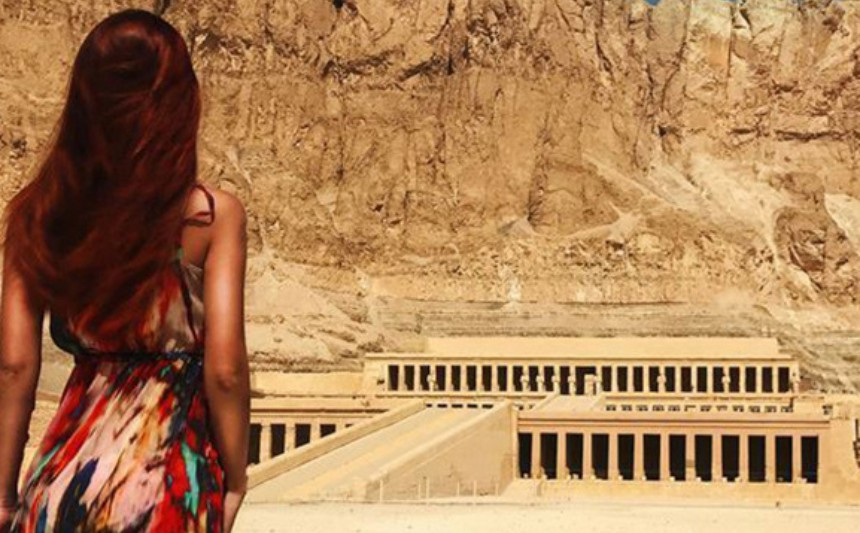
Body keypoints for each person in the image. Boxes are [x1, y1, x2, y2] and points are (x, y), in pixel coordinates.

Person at [0, 9, 250, 533]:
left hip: (62, 485)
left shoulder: (36, 214)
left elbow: (15, 368)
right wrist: (235, 477)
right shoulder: (211, 217)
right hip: (168, 489)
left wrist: (3, 494)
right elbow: (225, 370)